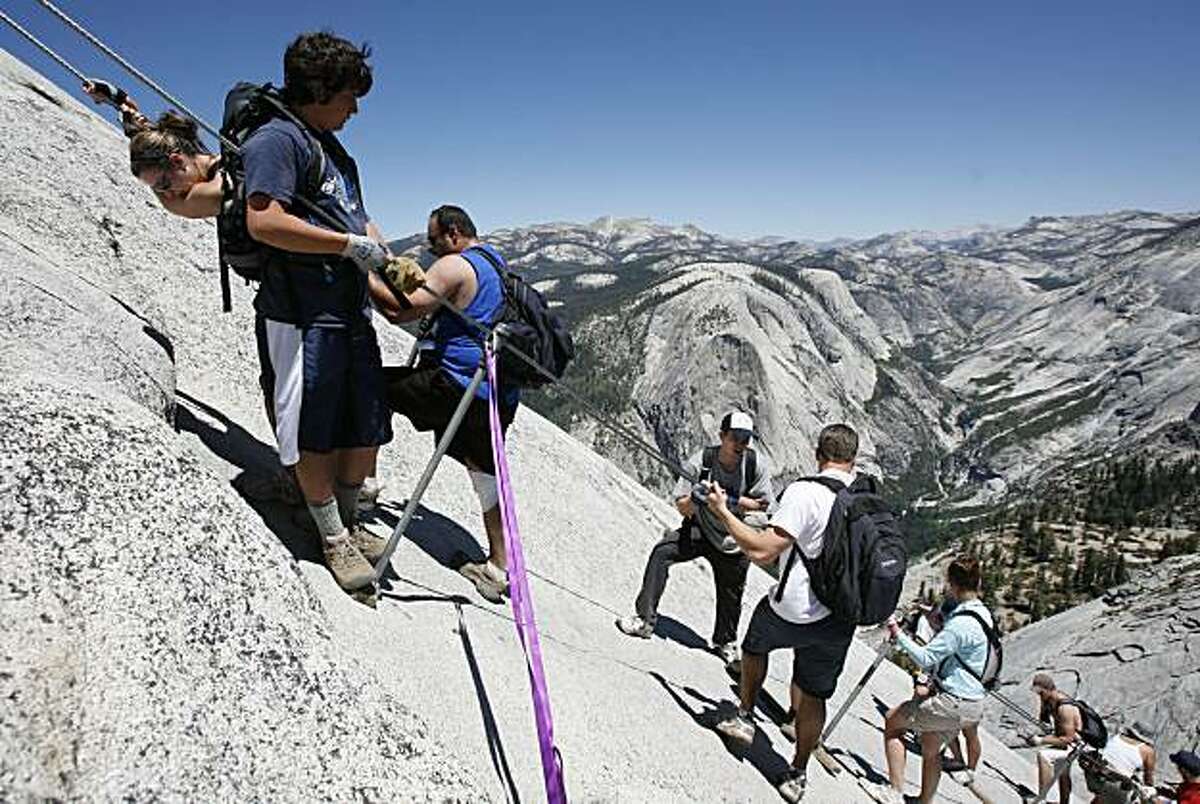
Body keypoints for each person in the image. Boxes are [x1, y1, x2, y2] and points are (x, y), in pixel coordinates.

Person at [242, 31, 399, 592]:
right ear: (320, 88)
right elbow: (265, 220)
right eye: (348, 95)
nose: (355, 108)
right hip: (303, 314)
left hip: (349, 310)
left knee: (364, 426)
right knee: (312, 429)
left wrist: (386, 260)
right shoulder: (277, 141)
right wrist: (346, 248)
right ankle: (332, 535)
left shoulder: (333, 150)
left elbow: (357, 218)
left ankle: (351, 520)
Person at [702, 423, 861, 803]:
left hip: (796, 608)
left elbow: (761, 550)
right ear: (853, 460)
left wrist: (724, 511)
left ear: (817, 454)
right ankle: (798, 773)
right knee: (814, 696)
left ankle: (744, 716)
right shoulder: (865, 496)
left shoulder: (806, 492)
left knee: (755, 645)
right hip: (840, 619)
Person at [372, 205, 519, 604]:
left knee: (370, 385)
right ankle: (498, 568)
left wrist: (363, 269)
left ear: (453, 234)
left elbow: (396, 311)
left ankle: (363, 485)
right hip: (494, 389)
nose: (430, 245)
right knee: (485, 473)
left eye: (434, 238)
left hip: (454, 384)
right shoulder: (494, 260)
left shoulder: (455, 267)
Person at [615, 411, 775, 670]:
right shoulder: (702, 461)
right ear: (722, 436)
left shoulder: (755, 464)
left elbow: (764, 505)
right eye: (736, 438)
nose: (741, 445)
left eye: (746, 440)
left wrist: (728, 501)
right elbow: (682, 505)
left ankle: (725, 642)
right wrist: (696, 500)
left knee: (731, 594)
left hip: (733, 541)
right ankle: (644, 620)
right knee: (662, 553)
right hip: (700, 531)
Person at [880, 557, 993, 803]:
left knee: (893, 723)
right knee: (931, 748)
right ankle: (924, 801)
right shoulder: (982, 614)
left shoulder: (960, 624)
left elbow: (925, 657)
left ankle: (894, 792)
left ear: (952, 585)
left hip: (952, 701)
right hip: (973, 703)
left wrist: (896, 632)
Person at [1030, 673, 1084, 804]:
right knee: (1063, 773)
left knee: (1044, 755)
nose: (1039, 696)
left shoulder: (1065, 708)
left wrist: (1041, 740)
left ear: (1048, 689)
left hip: (1075, 744)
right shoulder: (1049, 700)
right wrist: (1045, 723)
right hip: (1064, 742)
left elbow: (1068, 738)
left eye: (1041, 693)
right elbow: (1045, 719)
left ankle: (1042, 799)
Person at [1085, 721, 1157, 804]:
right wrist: (1151, 789)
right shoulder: (1147, 750)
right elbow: (1148, 778)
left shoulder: (1116, 737)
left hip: (1096, 777)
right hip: (1117, 785)